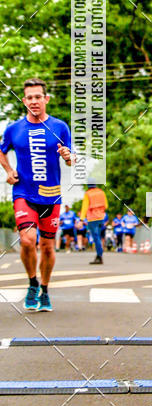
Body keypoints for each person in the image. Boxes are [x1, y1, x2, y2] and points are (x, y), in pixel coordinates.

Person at [0, 78, 72, 311]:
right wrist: (9, 171)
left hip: (51, 195)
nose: (34, 101)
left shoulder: (60, 127)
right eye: (29, 97)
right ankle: (32, 282)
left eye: (38, 97)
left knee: (48, 247)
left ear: (46, 99)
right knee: (28, 240)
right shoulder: (14, 129)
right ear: (24, 101)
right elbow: (1, 151)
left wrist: (67, 156)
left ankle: (45, 290)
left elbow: (71, 158)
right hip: (24, 192)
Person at [81, 184, 109, 265]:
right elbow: (106, 206)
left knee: (96, 237)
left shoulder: (88, 194)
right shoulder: (101, 192)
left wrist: (82, 218)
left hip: (92, 218)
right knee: (98, 237)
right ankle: (98, 255)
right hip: (101, 218)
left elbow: (85, 207)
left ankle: (99, 255)